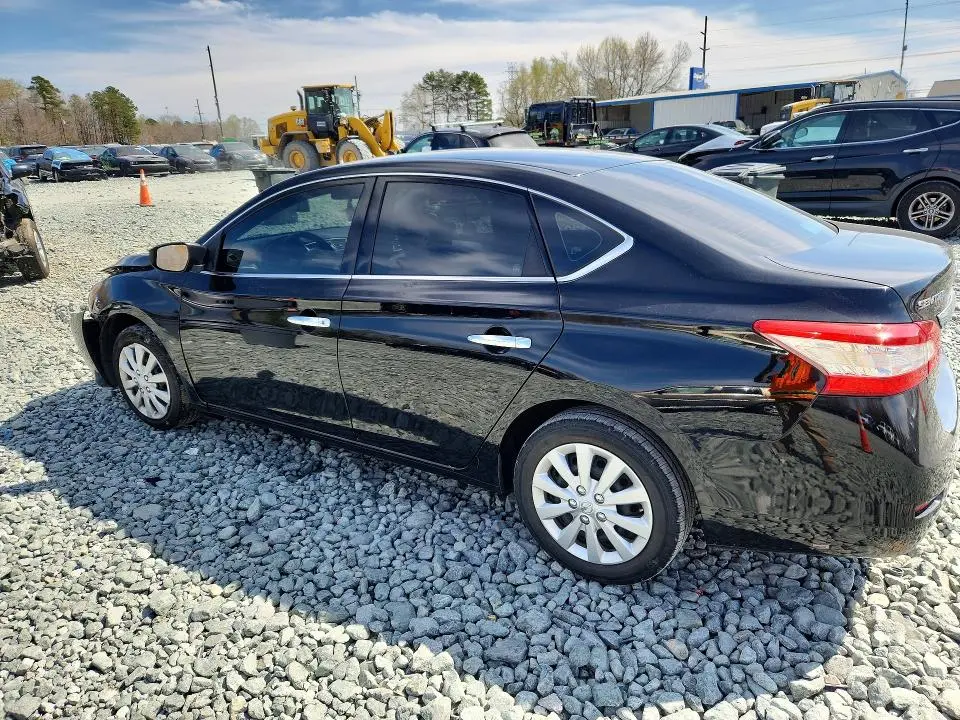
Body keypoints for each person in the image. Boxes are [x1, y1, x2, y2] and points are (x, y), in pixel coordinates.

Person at [757, 353, 837, 474]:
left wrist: (815, 367)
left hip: (801, 396)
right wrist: (772, 373)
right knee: (788, 423)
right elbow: (764, 376)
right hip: (782, 395)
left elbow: (816, 377)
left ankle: (827, 457)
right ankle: (786, 445)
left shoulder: (809, 358)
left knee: (810, 426)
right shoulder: (781, 358)